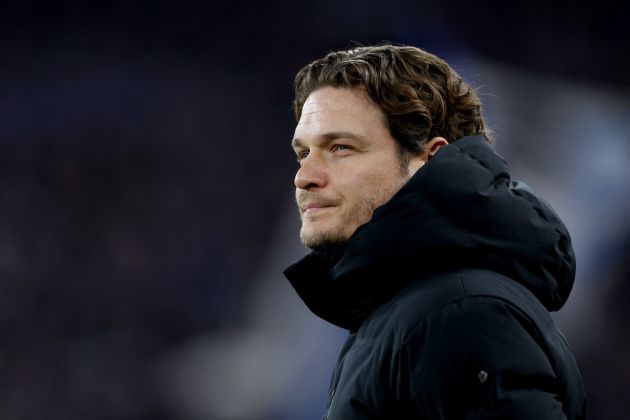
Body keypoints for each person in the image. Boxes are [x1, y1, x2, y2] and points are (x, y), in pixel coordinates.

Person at [282, 44, 586, 419]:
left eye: (341, 147)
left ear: (429, 159)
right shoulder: (412, 310)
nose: (304, 177)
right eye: (303, 153)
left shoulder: (460, 313)